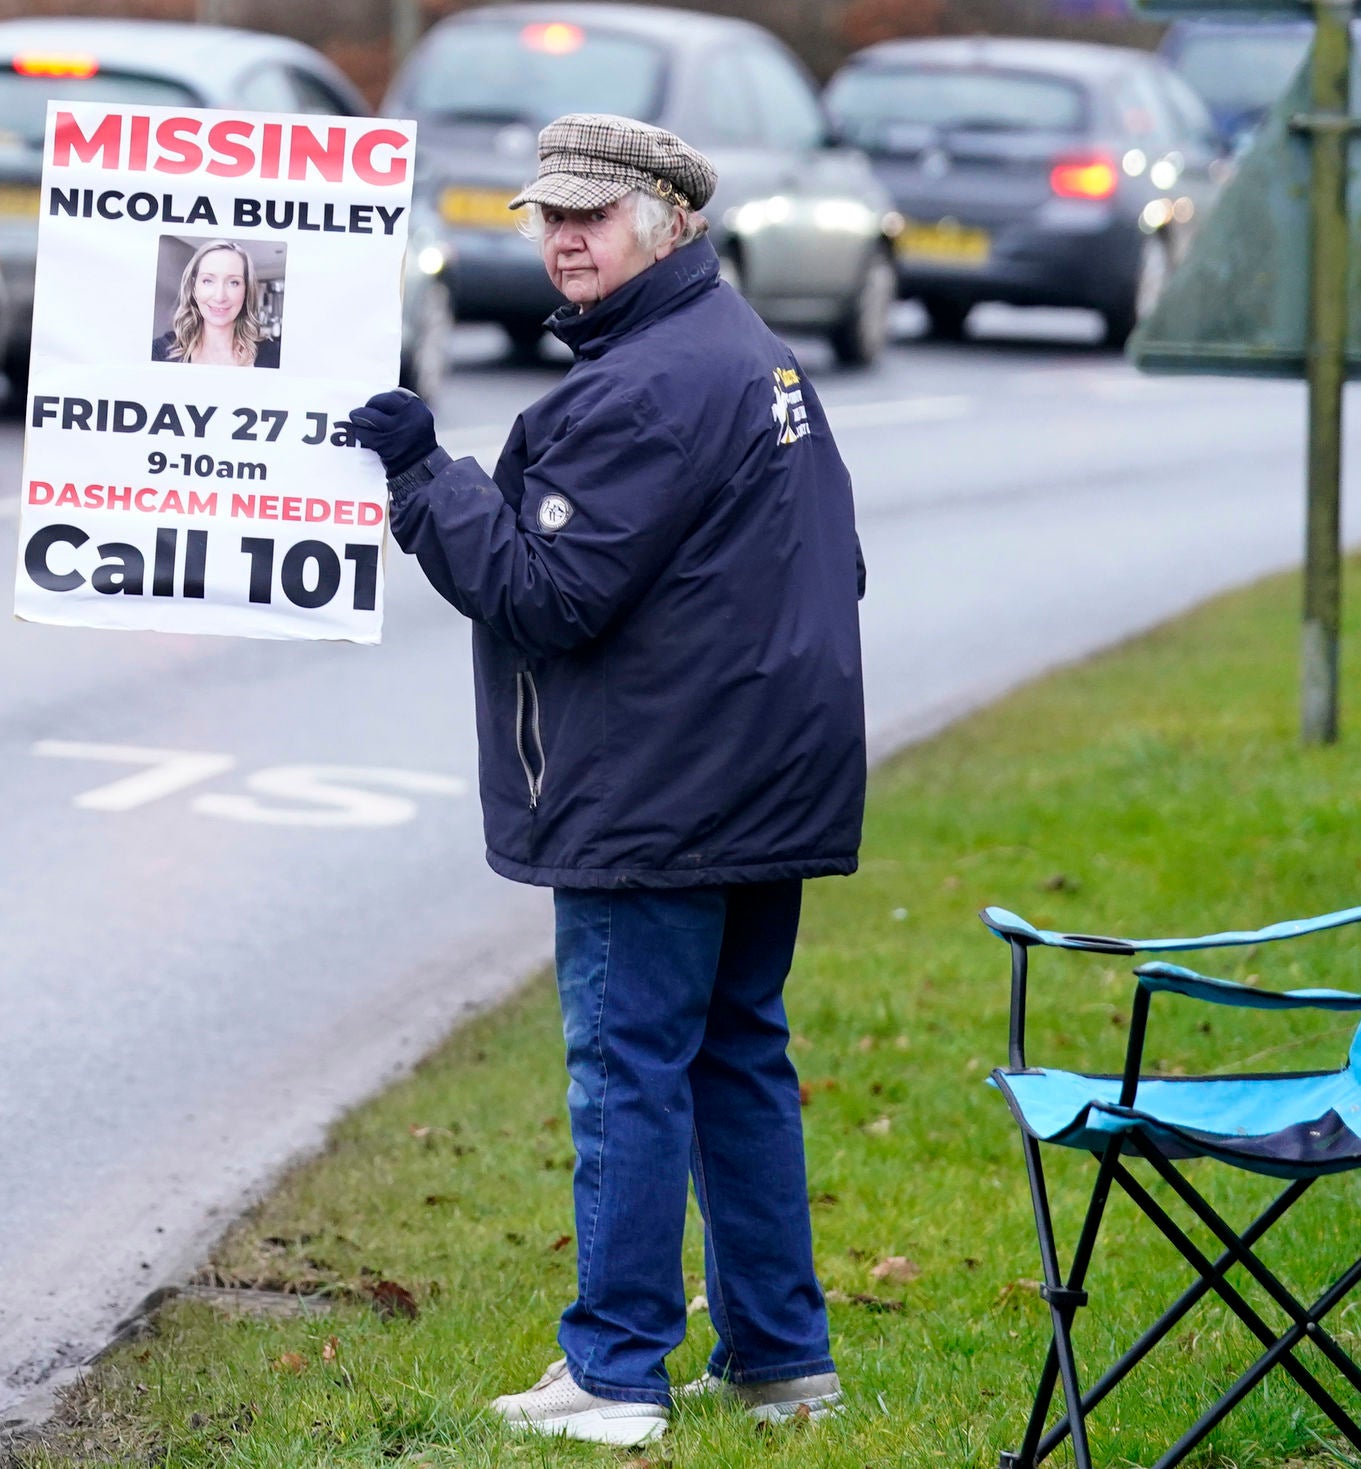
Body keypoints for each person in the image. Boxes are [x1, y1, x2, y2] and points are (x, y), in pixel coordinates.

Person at [343, 113, 865, 1447]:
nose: (566, 237)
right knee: (735, 1054)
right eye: (551, 214)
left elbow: (546, 591)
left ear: (672, 220)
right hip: (764, 771)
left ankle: (619, 1373)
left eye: (597, 213)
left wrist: (421, 474)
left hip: (662, 790)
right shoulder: (744, 351)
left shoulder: (639, 384)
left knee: (628, 1065)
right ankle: (780, 1365)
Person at [152, 240, 282, 368]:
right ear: (194, 287)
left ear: (246, 290)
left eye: (234, 282)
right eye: (208, 281)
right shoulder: (160, 352)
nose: (220, 297)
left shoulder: (275, 356)